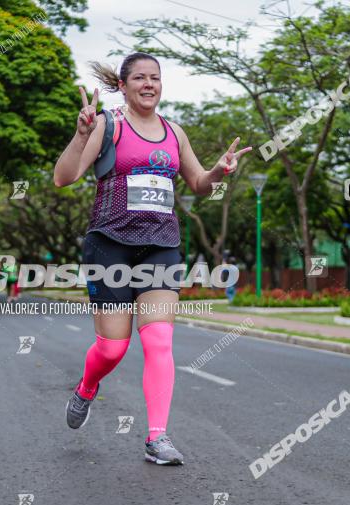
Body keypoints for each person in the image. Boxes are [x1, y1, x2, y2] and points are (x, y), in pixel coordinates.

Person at [53, 53, 251, 465]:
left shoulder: (173, 132)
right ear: (122, 86)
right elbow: (63, 177)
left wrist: (217, 171)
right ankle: (88, 387)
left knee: (159, 342)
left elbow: (197, 184)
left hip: (161, 245)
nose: (148, 84)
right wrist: (79, 134)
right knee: (113, 350)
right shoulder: (108, 124)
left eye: (155, 78)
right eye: (139, 78)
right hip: (110, 243)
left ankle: (157, 437)